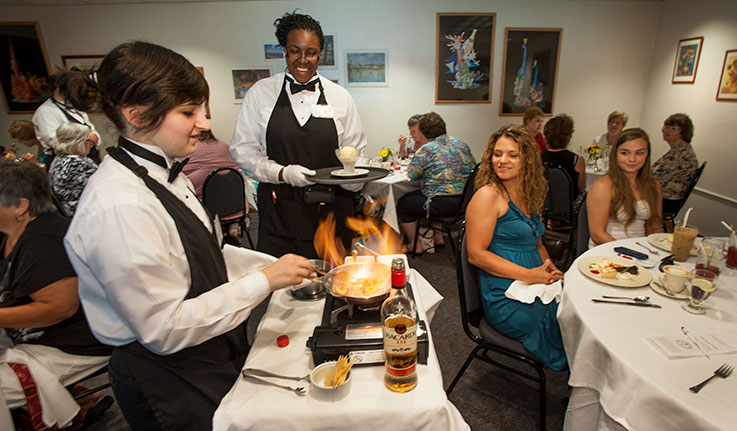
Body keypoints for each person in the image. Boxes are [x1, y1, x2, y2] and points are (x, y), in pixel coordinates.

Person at [63, 41, 313, 430]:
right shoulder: (119, 206)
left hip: (205, 351)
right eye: (188, 112)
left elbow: (197, 256)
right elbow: (166, 329)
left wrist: (277, 268)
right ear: (136, 113)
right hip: (166, 373)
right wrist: (264, 282)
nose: (206, 123)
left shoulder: (163, 173)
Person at [230, 12, 367, 259]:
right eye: (295, 51)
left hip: (332, 210)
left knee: (334, 283)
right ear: (284, 50)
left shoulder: (340, 97)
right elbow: (242, 150)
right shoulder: (261, 93)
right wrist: (281, 172)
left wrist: (355, 177)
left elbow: (355, 150)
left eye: (311, 52)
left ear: (320, 53)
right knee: (282, 286)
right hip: (280, 210)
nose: (303, 60)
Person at [0, 160, 111, 430]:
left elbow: (59, 308)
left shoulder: (44, 240)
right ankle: (75, 399)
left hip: (74, 343)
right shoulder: (15, 234)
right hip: (40, 339)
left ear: (20, 206)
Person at [465, 125, 566, 371]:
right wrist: (529, 275)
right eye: (497, 154)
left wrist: (546, 264)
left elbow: (537, 241)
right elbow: (476, 255)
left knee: (578, 311)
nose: (502, 160)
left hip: (534, 280)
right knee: (565, 321)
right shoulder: (488, 195)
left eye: (512, 154)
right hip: (505, 292)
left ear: (528, 160)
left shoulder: (530, 193)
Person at [397, 112, 474, 253]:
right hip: (464, 202)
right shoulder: (461, 144)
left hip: (438, 204)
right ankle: (438, 238)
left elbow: (412, 174)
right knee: (432, 194)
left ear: (423, 131)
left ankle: (415, 245)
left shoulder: (426, 149)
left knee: (404, 204)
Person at [588, 128, 663, 246]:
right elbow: (597, 234)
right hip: (607, 250)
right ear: (615, 154)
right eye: (625, 153)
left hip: (641, 249)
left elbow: (654, 228)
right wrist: (631, 252)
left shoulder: (654, 186)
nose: (632, 159)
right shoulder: (603, 186)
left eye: (639, 153)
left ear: (647, 155)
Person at [32, 70, 102, 164]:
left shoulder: (74, 107)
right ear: (59, 88)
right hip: (67, 164)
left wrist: (89, 138)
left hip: (89, 159)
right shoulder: (45, 112)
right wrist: (87, 138)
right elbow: (56, 142)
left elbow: (95, 135)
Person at [651, 113, 698, 215]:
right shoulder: (679, 150)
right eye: (666, 127)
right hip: (665, 197)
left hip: (666, 200)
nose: (667, 131)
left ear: (683, 132)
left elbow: (656, 178)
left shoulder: (681, 154)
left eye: (673, 128)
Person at [49, 123, 99, 217]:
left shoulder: (60, 159)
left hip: (72, 208)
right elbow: (101, 188)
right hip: (83, 213)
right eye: (88, 141)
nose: (91, 145)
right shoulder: (76, 164)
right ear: (78, 142)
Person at [541, 114, 586, 194]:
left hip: (542, 204)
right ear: (568, 137)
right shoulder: (577, 160)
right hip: (568, 205)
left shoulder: (537, 158)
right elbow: (581, 188)